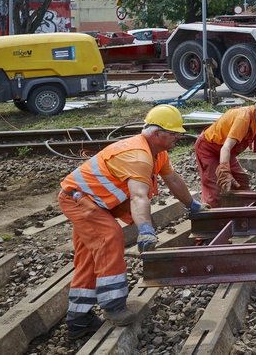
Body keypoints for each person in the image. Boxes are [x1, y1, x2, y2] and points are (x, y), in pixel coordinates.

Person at [58, 105, 205, 339]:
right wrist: (145, 230)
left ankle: (78, 319)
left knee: (88, 257)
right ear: (157, 134)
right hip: (79, 200)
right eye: (174, 133)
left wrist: (192, 204)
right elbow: (138, 196)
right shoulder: (137, 156)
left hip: (94, 202)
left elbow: (172, 179)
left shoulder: (158, 153)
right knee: (109, 237)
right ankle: (114, 306)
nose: (179, 137)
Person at [194, 84, 256, 206]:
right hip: (208, 149)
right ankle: (209, 218)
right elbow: (226, 147)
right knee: (215, 186)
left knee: (241, 181)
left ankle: (240, 212)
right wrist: (224, 170)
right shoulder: (243, 119)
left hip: (225, 152)